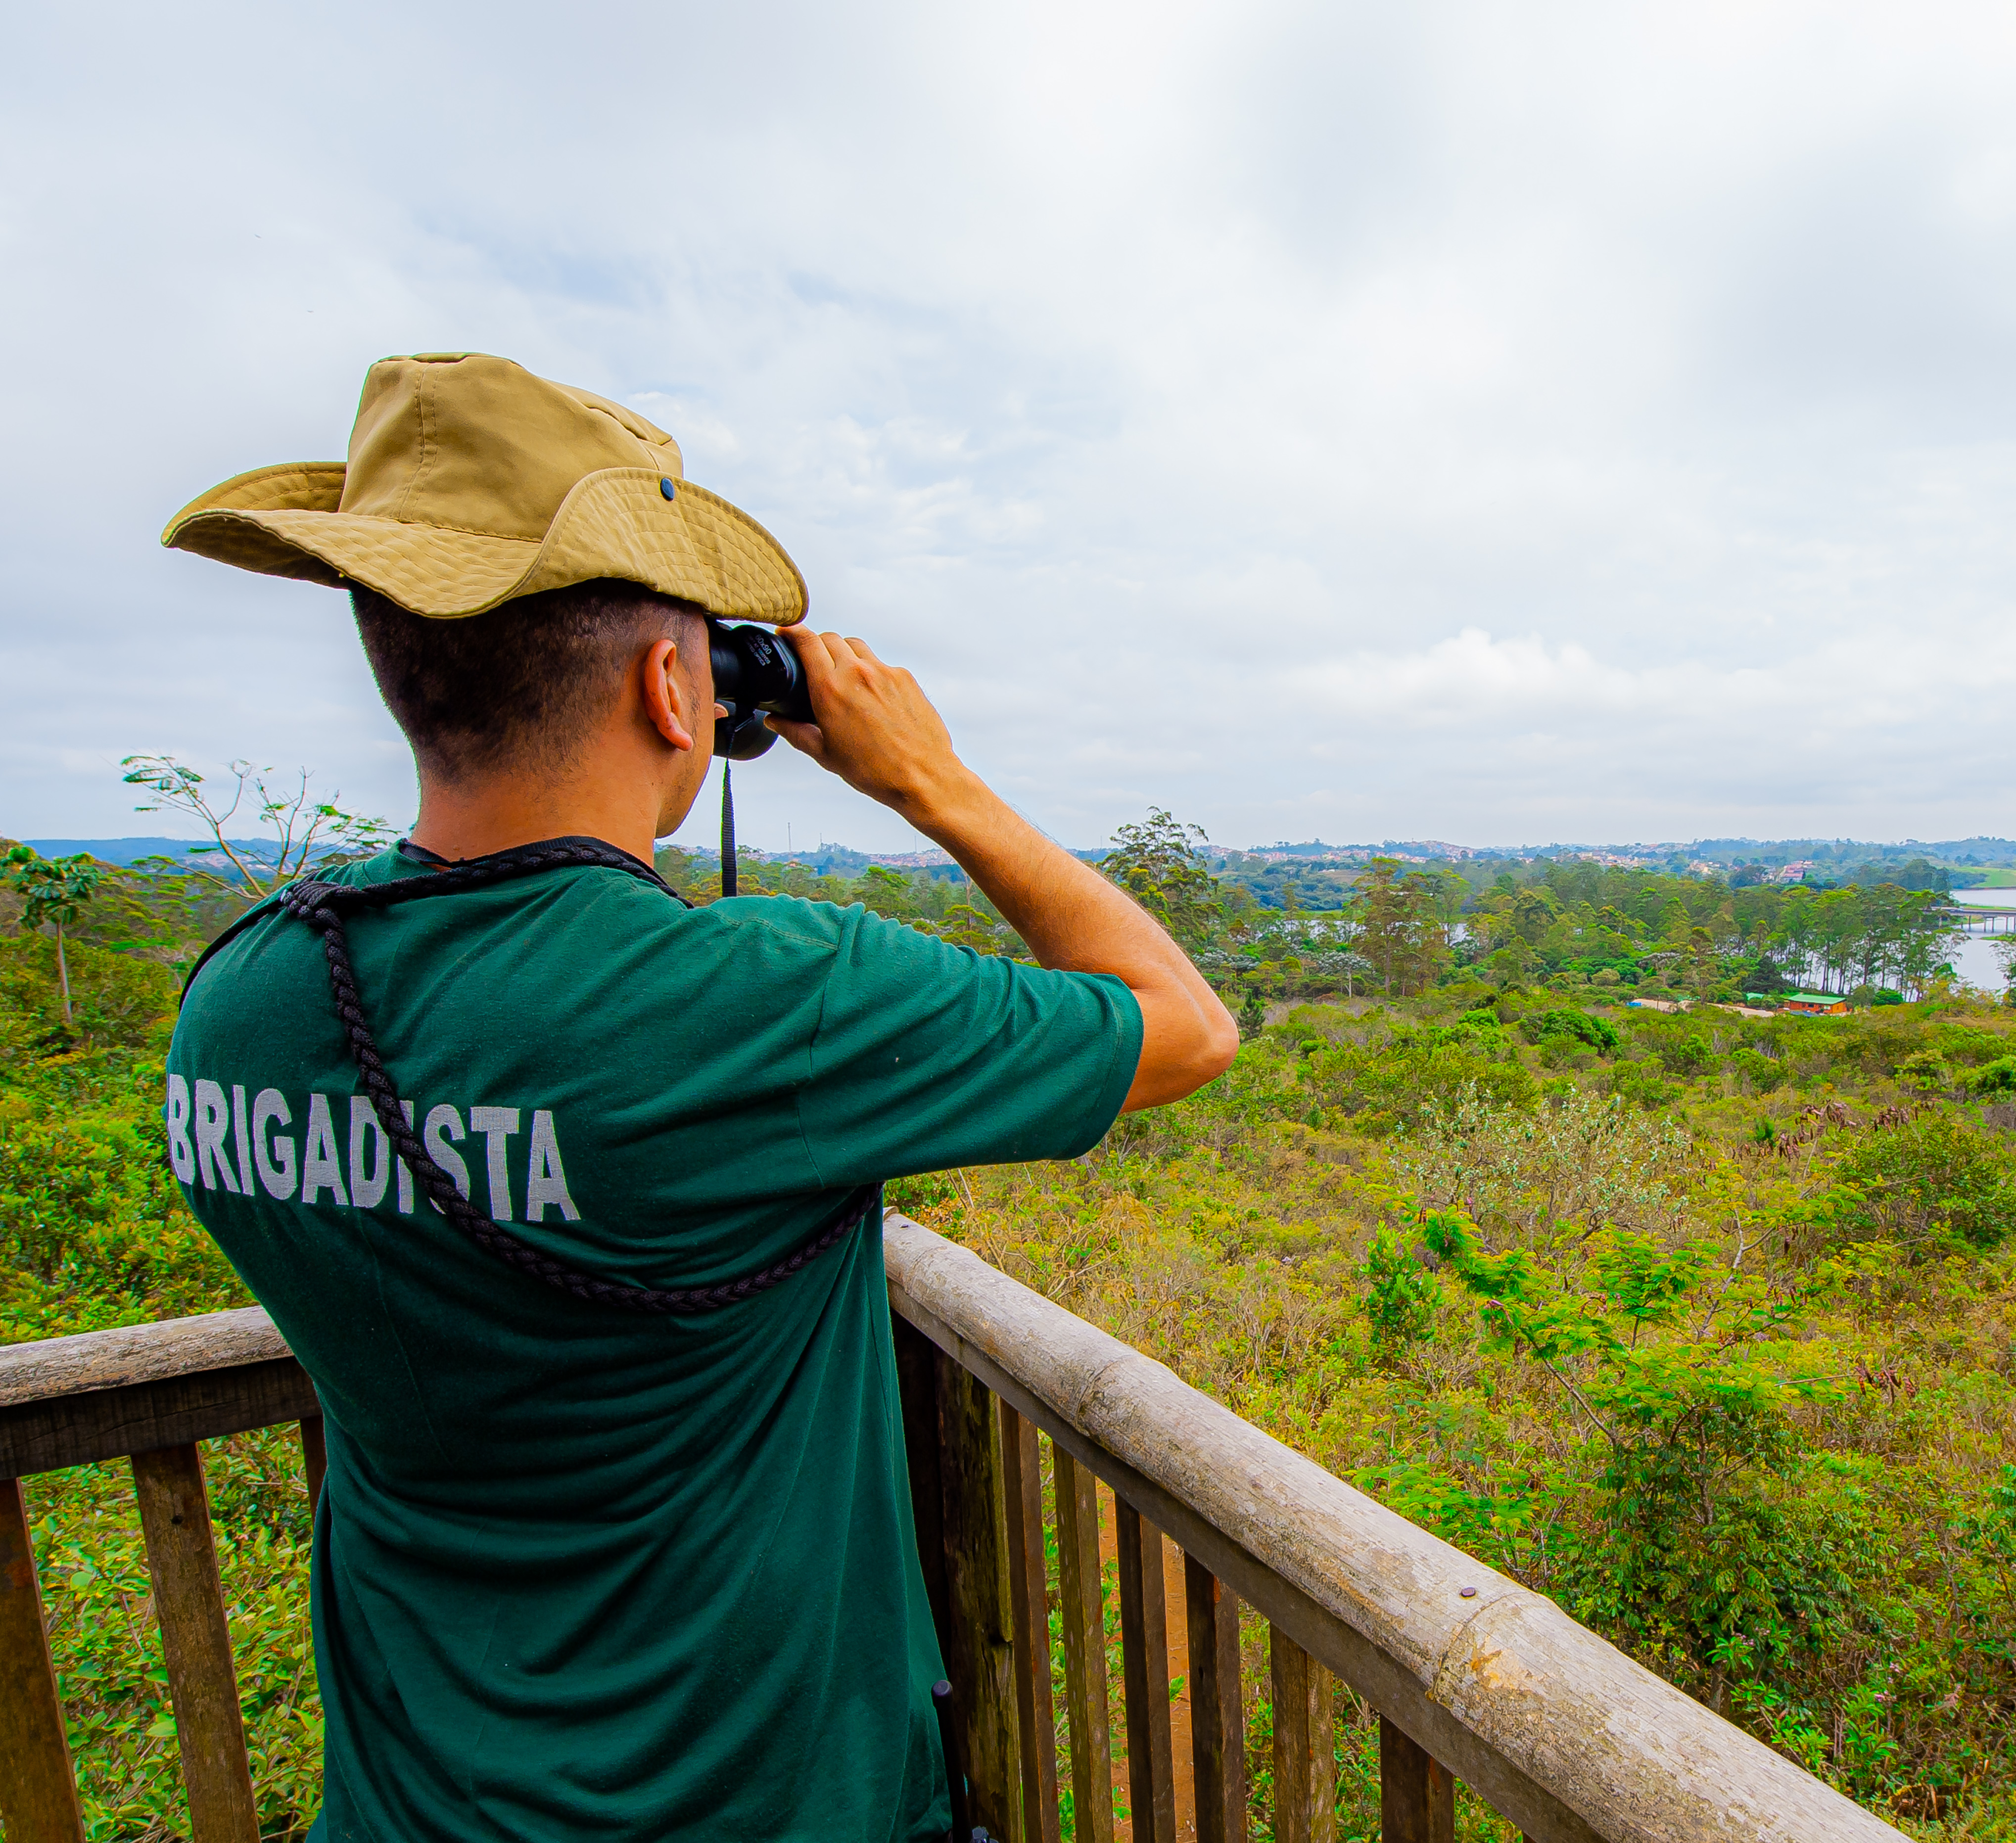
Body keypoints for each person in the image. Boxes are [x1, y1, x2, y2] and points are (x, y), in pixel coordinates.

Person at [158, 352, 1238, 1841]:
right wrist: (931, 781)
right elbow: (1182, 1027)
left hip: (408, 1808)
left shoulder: (244, 1004)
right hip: (765, 1806)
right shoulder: (760, 998)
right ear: (678, 686)